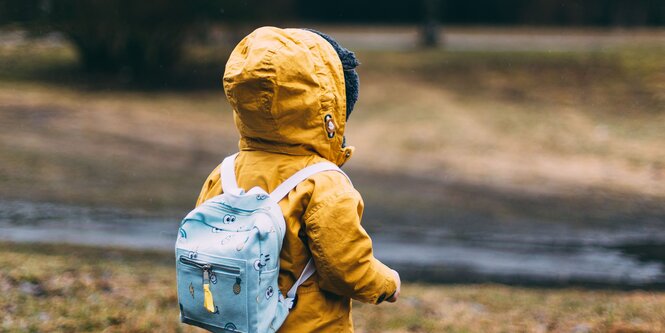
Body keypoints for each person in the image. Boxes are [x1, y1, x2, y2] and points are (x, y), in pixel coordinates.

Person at [195, 26, 400, 332]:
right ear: (328, 108)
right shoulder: (323, 184)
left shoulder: (225, 172)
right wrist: (387, 283)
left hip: (237, 322)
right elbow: (345, 266)